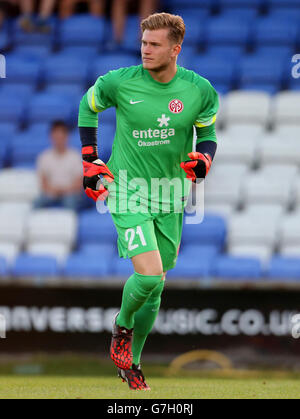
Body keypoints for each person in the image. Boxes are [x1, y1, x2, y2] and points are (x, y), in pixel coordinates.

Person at [78, 12, 219, 390]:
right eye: (143, 43)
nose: (146, 50)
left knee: (157, 285)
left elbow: (207, 134)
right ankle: (121, 327)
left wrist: (205, 158)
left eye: (154, 44)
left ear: (176, 49)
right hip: (127, 190)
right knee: (147, 274)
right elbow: (87, 106)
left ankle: (133, 364)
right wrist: (91, 158)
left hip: (171, 195)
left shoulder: (199, 90)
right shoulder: (119, 82)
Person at [35, 121, 83, 211]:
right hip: (51, 193)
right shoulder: (44, 157)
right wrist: (53, 190)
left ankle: (68, 224)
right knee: (37, 203)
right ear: (51, 137)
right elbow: (43, 183)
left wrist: (63, 190)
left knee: (70, 202)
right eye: (56, 137)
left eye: (61, 137)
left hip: (70, 193)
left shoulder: (75, 156)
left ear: (67, 137)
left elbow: (79, 184)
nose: (59, 140)